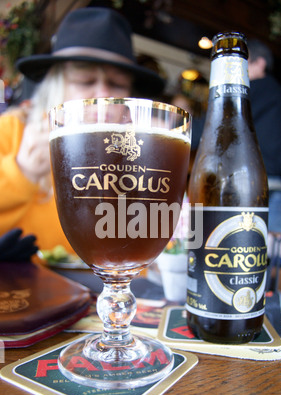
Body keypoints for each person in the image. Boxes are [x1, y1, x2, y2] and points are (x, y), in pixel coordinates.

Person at [0, 7, 165, 253]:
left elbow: (140, 249)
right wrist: (24, 170)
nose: (103, 95)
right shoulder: (12, 130)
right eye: (85, 81)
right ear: (56, 85)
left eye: (117, 84)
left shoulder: (136, 153)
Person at [247, 39, 281, 233]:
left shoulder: (256, 90)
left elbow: (218, 123)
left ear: (260, 63)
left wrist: (176, 124)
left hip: (260, 198)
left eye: (245, 61)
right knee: (268, 262)